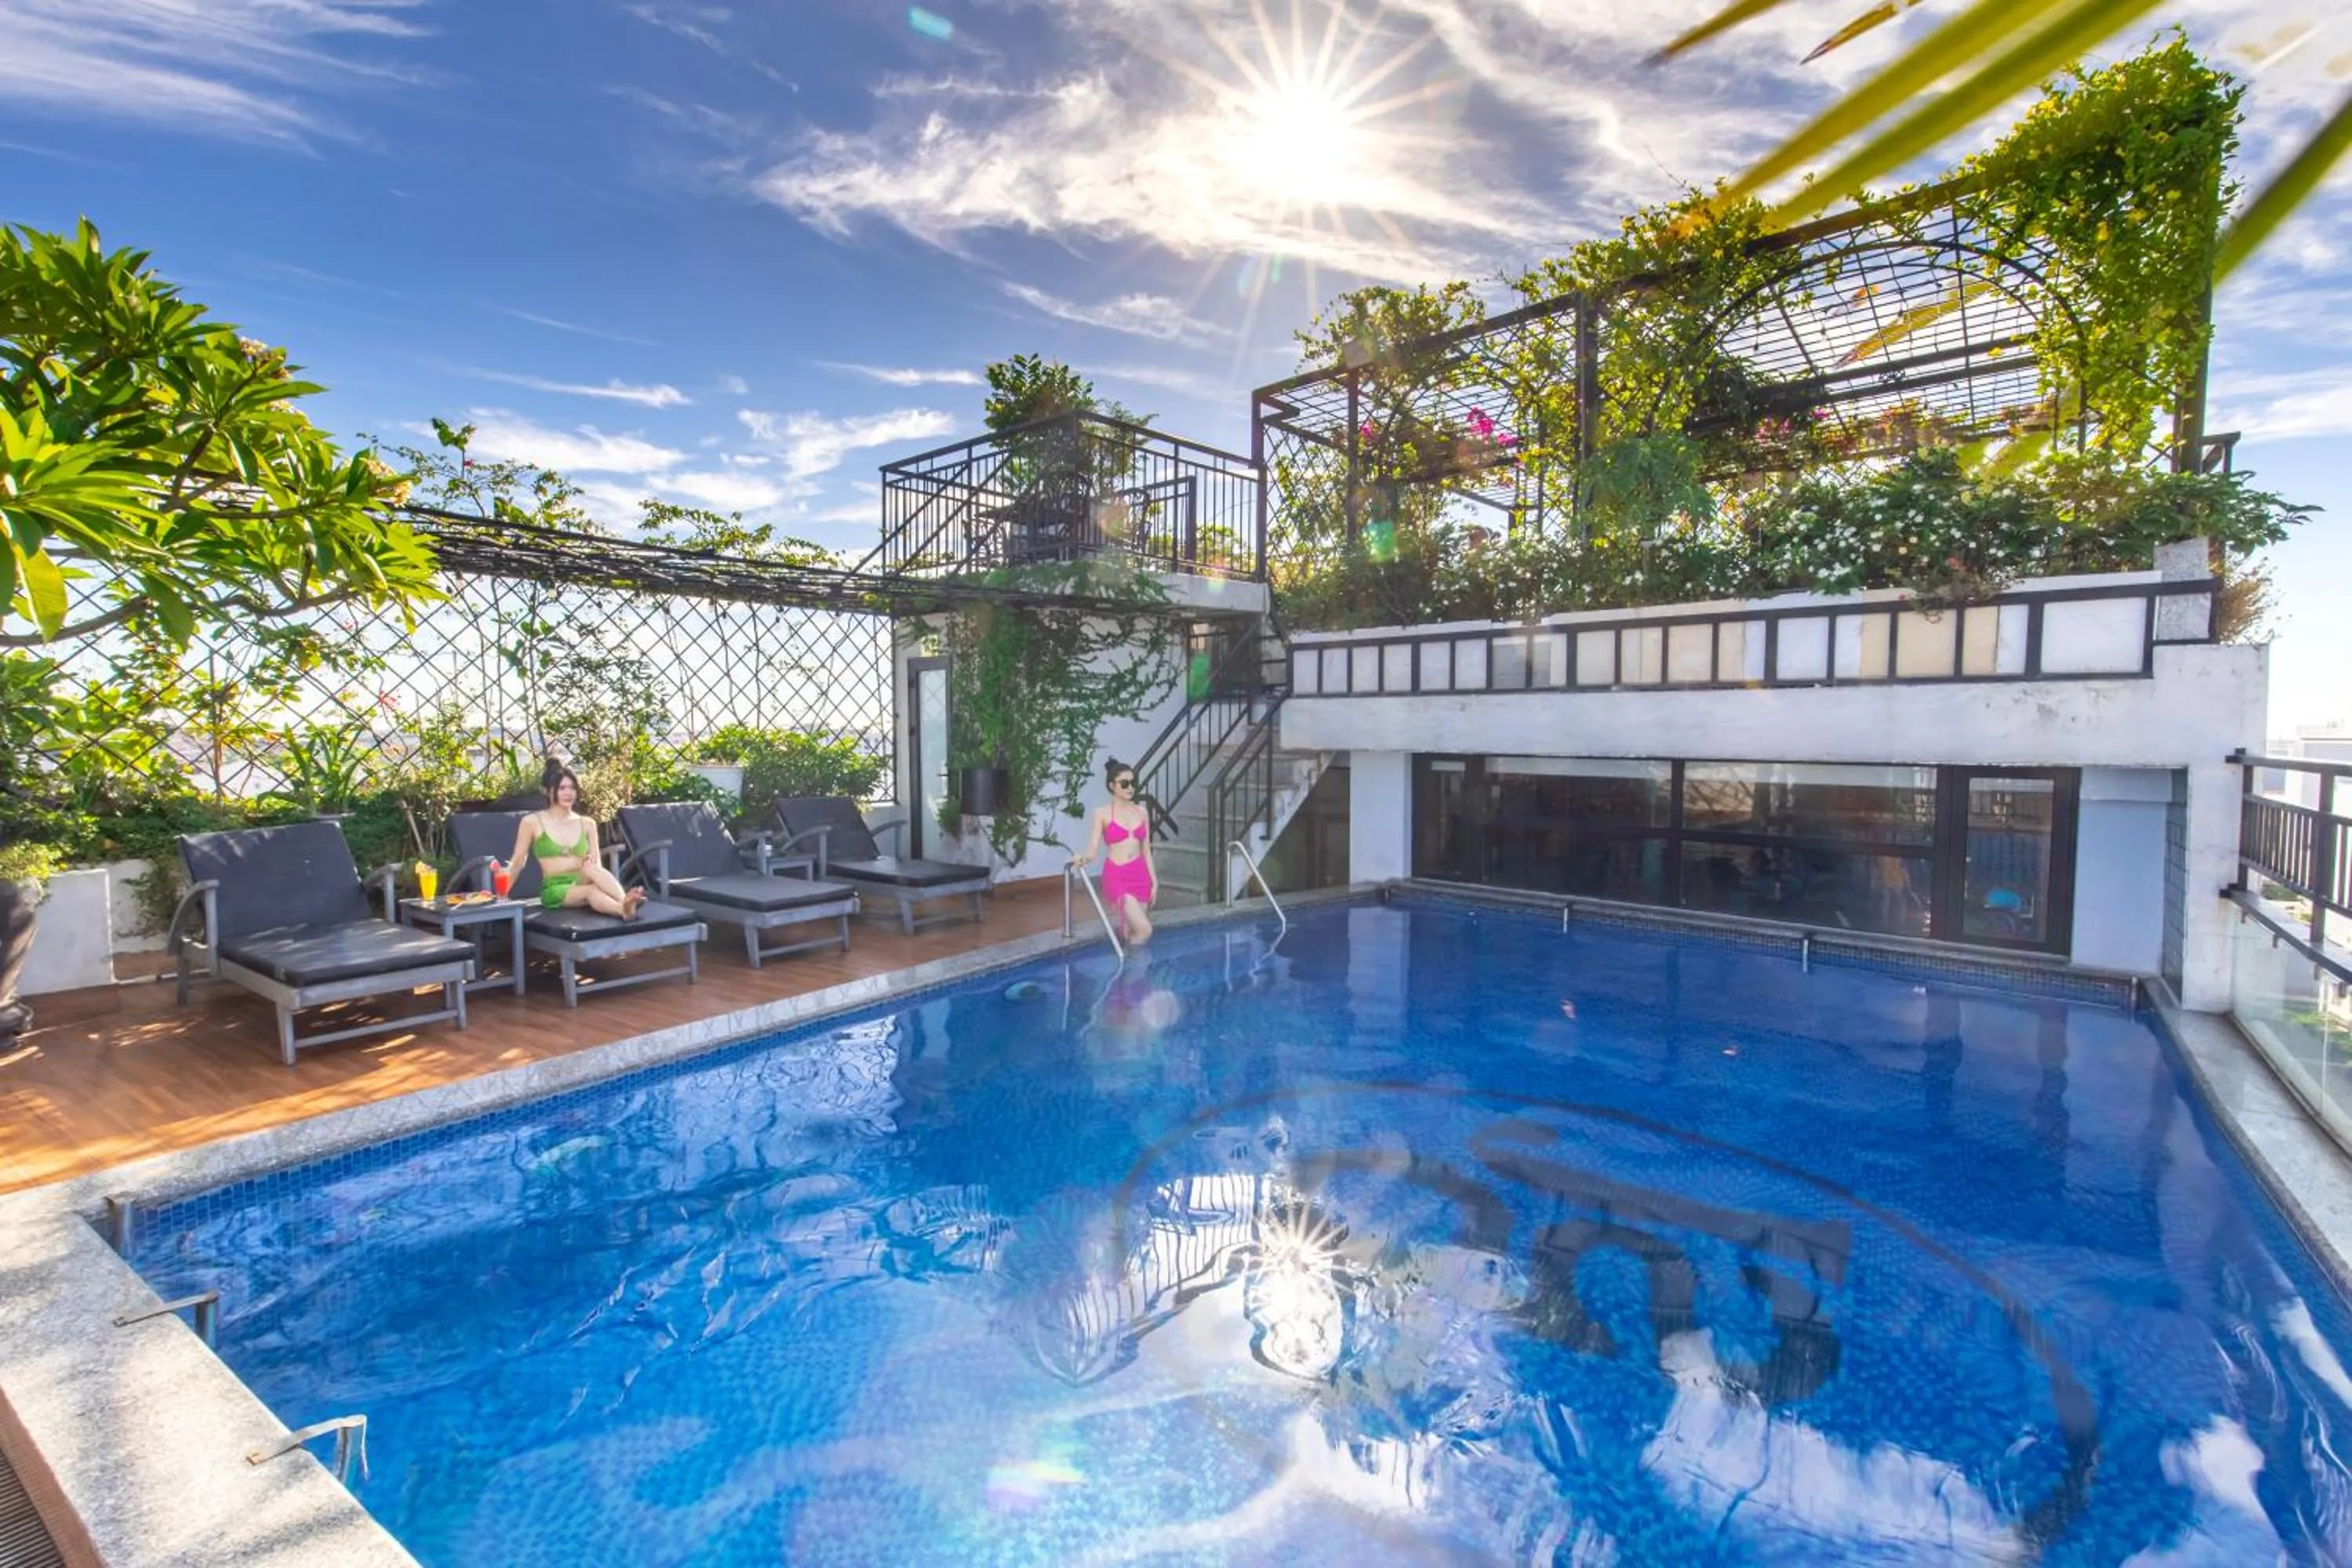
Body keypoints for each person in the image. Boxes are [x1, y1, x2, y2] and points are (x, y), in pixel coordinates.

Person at [503, 761, 644, 920]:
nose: (568, 793)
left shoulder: (588, 823)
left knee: (592, 870)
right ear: (548, 791)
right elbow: (518, 861)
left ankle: (625, 901)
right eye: (562, 788)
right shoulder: (532, 822)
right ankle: (623, 908)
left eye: (572, 788)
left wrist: (590, 865)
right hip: (556, 888)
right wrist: (501, 894)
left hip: (584, 880)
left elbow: (597, 866)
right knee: (591, 891)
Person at [1072, 758, 1156, 946]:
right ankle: (1131, 961)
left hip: (1140, 874)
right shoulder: (1101, 813)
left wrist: (1154, 882)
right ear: (1112, 786)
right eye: (1124, 784)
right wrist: (1082, 858)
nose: (1130, 788)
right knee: (1145, 930)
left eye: (1133, 783)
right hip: (1117, 875)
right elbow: (1092, 850)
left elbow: (1147, 851)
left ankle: (1132, 959)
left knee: (1131, 930)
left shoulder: (1141, 812)